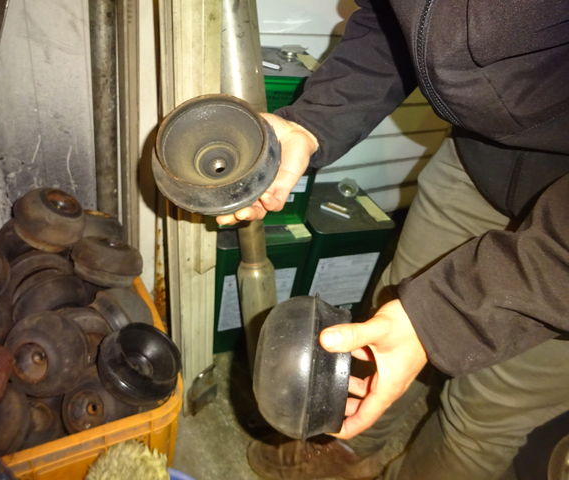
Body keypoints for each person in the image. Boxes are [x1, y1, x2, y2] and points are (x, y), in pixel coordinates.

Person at [216, 1, 569, 479]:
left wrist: (446, 315)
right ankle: (352, 446)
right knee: (392, 313)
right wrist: (313, 122)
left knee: (483, 414)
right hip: (482, 161)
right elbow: (396, 25)